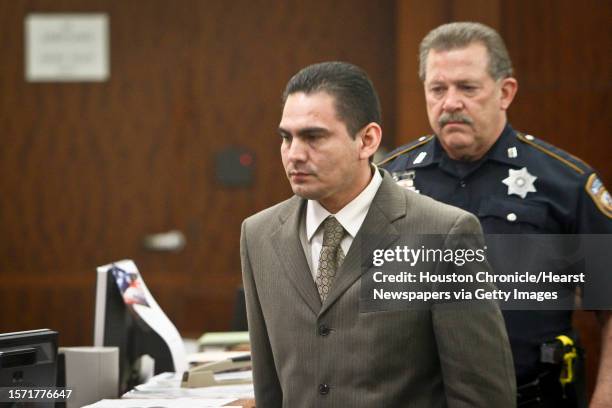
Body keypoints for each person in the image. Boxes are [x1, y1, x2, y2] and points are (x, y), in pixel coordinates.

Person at [240, 61, 515, 407]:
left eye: (314, 136)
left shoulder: (444, 233)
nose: (294, 154)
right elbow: (270, 389)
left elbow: (483, 396)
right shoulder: (258, 235)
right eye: (286, 137)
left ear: (367, 140)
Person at [379, 22, 612, 408]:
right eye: (438, 89)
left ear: (505, 92)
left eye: (467, 88)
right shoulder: (386, 182)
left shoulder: (564, 183)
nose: (450, 102)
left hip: (534, 398)